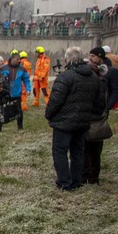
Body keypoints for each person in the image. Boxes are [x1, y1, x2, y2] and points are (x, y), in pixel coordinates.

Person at [44, 46, 106, 191]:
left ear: (67, 59)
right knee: (78, 152)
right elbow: (99, 102)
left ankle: (64, 182)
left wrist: (49, 115)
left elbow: (55, 101)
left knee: (60, 152)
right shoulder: (93, 77)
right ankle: (77, 181)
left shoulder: (65, 77)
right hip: (83, 122)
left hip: (64, 123)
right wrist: (90, 116)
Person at [83, 46, 118, 184]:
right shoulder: (88, 71)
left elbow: (115, 91)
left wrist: (107, 107)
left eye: (93, 56)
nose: (90, 58)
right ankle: (86, 173)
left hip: (100, 113)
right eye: (89, 55)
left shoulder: (111, 72)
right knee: (85, 143)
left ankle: (94, 175)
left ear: (100, 56)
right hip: (87, 112)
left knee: (96, 142)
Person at [4, 52, 31, 129]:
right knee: (3, 111)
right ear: (12, 59)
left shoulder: (22, 69)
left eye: (19, 59)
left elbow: (26, 80)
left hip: (17, 94)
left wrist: (28, 89)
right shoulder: (3, 68)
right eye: (17, 59)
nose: (19, 61)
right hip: (5, 94)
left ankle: (20, 126)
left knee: (19, 111)